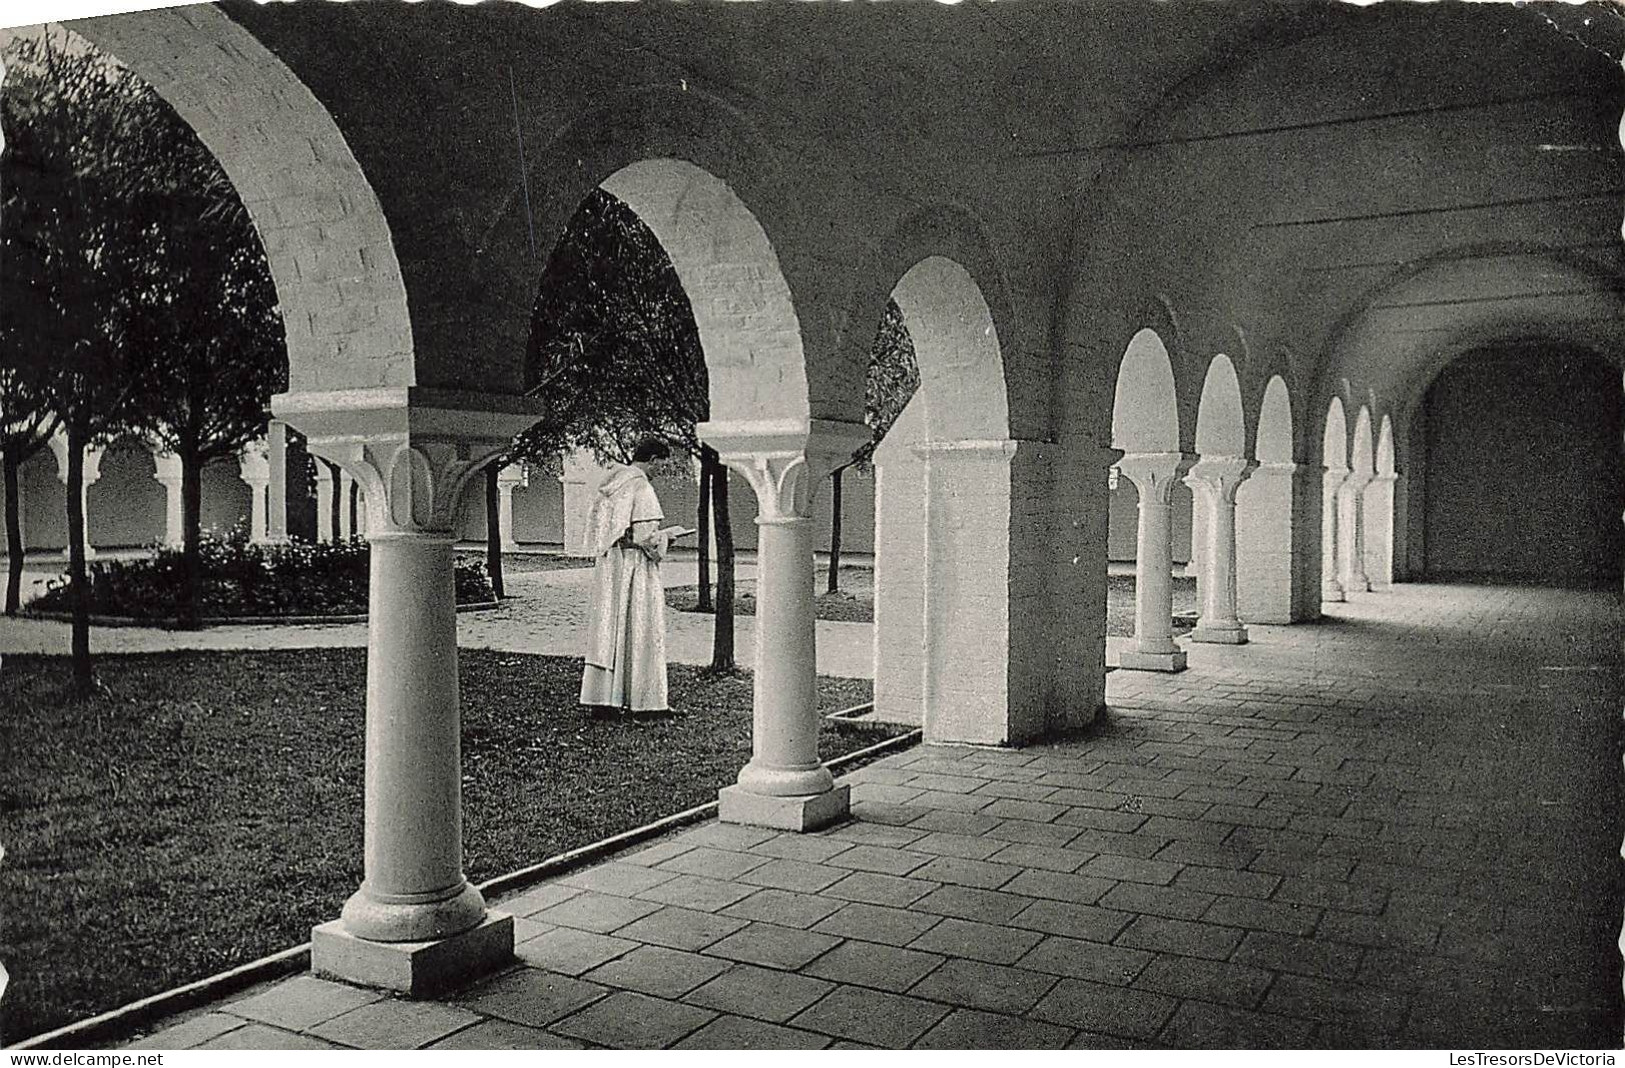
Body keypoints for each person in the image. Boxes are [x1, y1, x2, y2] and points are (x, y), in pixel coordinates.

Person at [579, 437, 689, 713]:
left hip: (611, 567)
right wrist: (667, 537)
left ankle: (603, 698)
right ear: (652, 460)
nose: (659, 473)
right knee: (641, 627)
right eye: (660, 467)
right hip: (636, 569)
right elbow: (644, 537)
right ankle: (646, 700)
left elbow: (609, 532)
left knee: (609, 630)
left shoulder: (611, 484)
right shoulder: (640, 486)